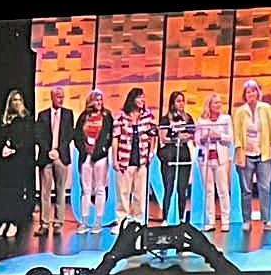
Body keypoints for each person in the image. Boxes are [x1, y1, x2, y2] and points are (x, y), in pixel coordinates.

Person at [0, 90, 35, 241]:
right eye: (14, 100)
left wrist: (14, 149)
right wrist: (2, 149)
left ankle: (14, 223)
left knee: (16, 194)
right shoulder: (4, 120)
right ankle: (4, 221)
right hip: (4, 163)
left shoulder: (26, 119)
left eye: (19, 100)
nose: (17, 102)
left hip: (20, 161)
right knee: (4, 194)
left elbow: (29, 140)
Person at [111, 86, 159, 228]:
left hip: (142, 161)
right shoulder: (121, 116)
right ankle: (121, 222)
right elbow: (115, 138)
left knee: (140, 193)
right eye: (139, 97)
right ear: (132, 99)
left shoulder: (148, 116)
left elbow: (153, 135)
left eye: (143, 97)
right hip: (125, 160)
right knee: (123, 193)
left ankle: (138, 221)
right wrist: (115, 159)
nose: (142, 100)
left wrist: (151, 152)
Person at [234, 78, 271, 226]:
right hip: (246, 154)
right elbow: (237, 134)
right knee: (246, 189)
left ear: (258, 93)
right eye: (248, 92)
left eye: (253, 91)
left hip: (263, 153)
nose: (251, 94)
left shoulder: (265, 108)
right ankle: (246, 220)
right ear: (244, 95)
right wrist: (239, 152)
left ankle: (266, 220)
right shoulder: (240, 112)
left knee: (265, 187)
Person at [36, 85, 75, 234]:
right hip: (46, 157)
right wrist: (49, 151)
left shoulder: (68, 114)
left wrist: (58, 151)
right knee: (45, 192)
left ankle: (58, 223)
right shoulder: (43, 115)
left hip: (61, 157)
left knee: (60, 190)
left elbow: (69, 135)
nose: (61, 99)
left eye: (62, 97)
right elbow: (38, 135)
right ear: (52, 97)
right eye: (58, 97)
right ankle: (44, 224)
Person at [73, 87, 113, 231]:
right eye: (96, 100)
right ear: (90, 101)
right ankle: (84, 222)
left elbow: (110, 136)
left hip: (100, 156)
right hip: (86, 156)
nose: (99, 102)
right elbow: (77, 135)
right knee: (86, 190)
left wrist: (102, 149)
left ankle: (98, 222)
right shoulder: (84, 117)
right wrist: (83, 149)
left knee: (100, 189)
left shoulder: (107, 116)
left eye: (101, 100)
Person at [196, 91, 235, 230]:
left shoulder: (226, 119)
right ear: (209, 105)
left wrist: (218, 136)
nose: (219, 105)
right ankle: (210, 221)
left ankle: (225, 221)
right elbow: (197, 140)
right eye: (216, 102)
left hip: (221, 158)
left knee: (223, 189)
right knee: (209, 190)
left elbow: (230, 138)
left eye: (220, 102)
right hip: (206, 159)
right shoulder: (201, 121)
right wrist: (204, 137)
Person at [157, 90, 194, 224]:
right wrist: (176, 138)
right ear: (172, 103)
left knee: (182, 188)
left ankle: (181, 218)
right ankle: (165, 218)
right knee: (169, 187)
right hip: (170, 154)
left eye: (183, 101)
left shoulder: (188, 118)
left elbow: (193, 133)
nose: (181, 104)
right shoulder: (165, 119)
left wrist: (187, 137)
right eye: (178, 101)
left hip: (183, 153)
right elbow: (163, 138)